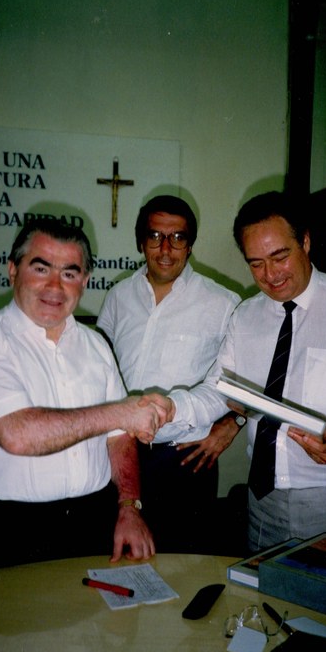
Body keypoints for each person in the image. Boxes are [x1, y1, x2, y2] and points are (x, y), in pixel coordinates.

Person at [158, 192, 326, 552]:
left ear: (306, 242)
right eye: (256, 264)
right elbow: (218, 389)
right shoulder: (245, 316)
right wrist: (171, 408)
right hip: (262, 504)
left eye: (280, 257)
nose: (270, 275)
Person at [0, 219, 168, 573]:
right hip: (3, 527)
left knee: (92, 610)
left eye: (69, 273)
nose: (55, 286)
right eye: (41, 268)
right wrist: (121, 412)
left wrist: (129, 506)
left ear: (85, 281)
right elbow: (18, 435)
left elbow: (118, 438)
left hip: (92, 518)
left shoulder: (96, 345)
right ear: (13, 270)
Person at [97, 195, 242, 551]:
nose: (165, 249)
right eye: (155, 236)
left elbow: (248, 379)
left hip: (185, 460)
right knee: (119, 558)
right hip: (120, 453)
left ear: (190, 245)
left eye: (177, 237)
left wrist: (234, 423)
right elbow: (99, 369)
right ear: (140, 241)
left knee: (183, 563)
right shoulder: (118, 296)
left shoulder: (223, 303)